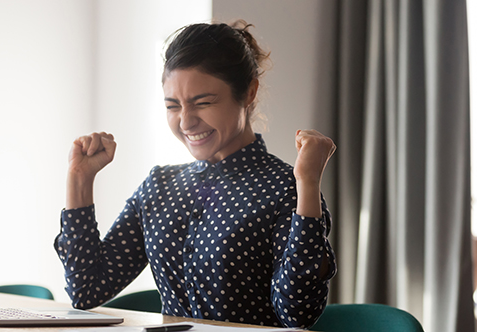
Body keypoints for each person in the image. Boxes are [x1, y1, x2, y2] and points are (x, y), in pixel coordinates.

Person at [54, 20, 337, 328]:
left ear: (249, 93)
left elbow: (297, 313)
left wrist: (308, 183)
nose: (186, 122)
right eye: (173, 106)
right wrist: (79, 179)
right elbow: (87, 289)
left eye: (203, 103)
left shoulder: (285, 189)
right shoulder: (159, 186)